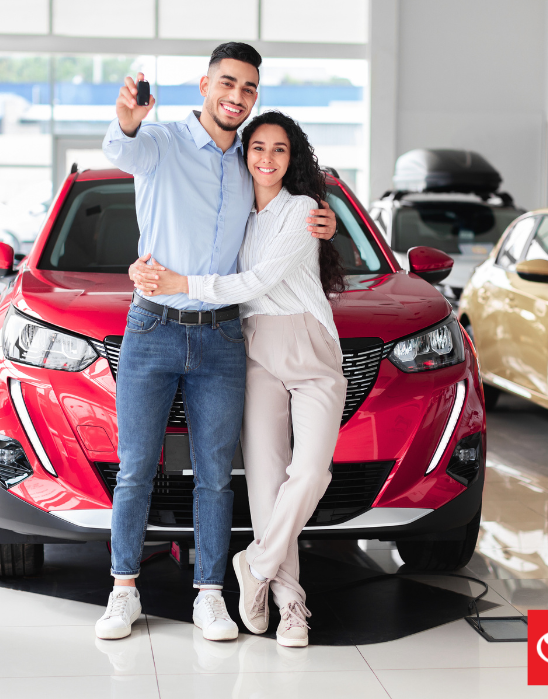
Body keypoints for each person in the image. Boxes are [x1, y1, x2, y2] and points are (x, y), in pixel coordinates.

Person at [94, 42, 337, 642]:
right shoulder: (164, 141)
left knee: (214, 476)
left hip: (226, 335)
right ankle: (123, 591)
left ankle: (210, 595)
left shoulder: (249, 165)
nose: (237, 96)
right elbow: (122, 149)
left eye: (248, 88)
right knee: (135, 470)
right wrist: (127, 120)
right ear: (205, 85)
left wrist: (324, 219)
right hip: (153, 326)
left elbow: (284, 216)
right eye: (227, 83)